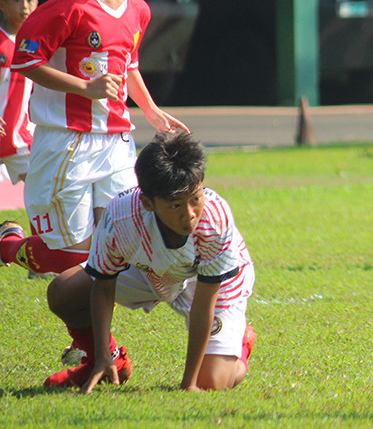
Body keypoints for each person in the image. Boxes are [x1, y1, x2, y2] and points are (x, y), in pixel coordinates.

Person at [0, 0, 188, 277]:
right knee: (71, 256)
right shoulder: (59, 11)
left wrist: (149, 109)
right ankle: (9, 246)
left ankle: (93, 339)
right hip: (67, 142)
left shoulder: (138, 9)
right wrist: (86, 87)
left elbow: (128, 65)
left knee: (117, 247)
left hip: (116, 142)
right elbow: (26, 62)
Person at [44, 131, 256, 392]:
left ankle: (241, 343)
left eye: (195, 199)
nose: (189, 215)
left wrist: (189, 384)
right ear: (147, 203)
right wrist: (101, 354)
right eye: (176, 206)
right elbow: (103, 286)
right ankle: (108, 362)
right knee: (63, 292)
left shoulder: (214, 220)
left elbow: (203, 307)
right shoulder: (120, 219)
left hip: (208, 281)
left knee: (211, 382)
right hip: (149, 270)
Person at [0, 0, 39, 185]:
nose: (24, 6)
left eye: (29, 0)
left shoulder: (34, 45)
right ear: (2, 5)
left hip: (18, 138)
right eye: (16, 0)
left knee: (40, 192)